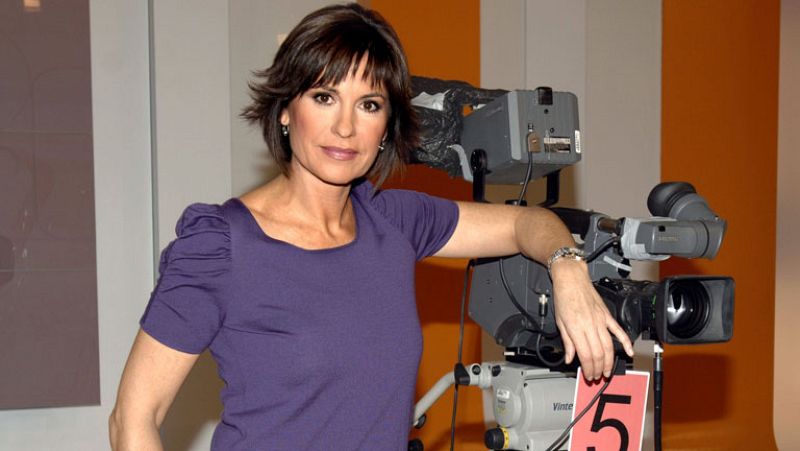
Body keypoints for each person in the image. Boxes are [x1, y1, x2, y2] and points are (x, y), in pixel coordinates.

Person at [109, 3, 634, 450]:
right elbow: (133, 420)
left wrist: (568, 271)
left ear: (386, 127)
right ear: (285, 110)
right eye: (324, 97)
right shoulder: (220, 246)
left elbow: (528, 223)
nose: (345, 127)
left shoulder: (393, 221)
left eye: (368, 105)